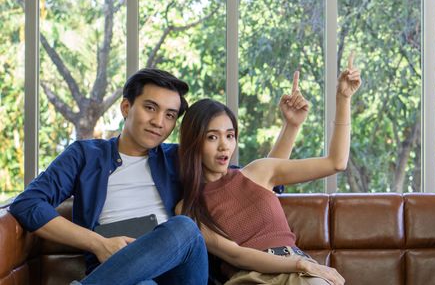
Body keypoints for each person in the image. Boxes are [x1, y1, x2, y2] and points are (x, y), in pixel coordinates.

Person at [9, 68, 307, 285]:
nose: (158, 122)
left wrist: (290, 126)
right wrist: (99, 244)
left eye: (169, 115)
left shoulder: (179, 158)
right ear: (127, 107)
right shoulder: (86, 155)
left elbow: (251, 180)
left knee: (185, 228)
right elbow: (28, 204)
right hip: (118, 267)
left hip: (180, 270)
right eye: (150, 108)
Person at [177, 53, 361, 285]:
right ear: (194, 142)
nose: (224, 145)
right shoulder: (187, 208)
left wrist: (343, 98)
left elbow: (336, 162)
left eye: (230, 135)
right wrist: (300, 264)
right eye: (212, 137)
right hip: (250, 277)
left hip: (298, 271)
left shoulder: (257, 172)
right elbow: (234, 254)